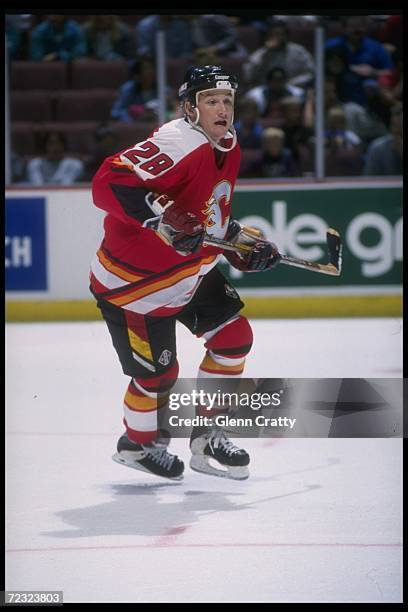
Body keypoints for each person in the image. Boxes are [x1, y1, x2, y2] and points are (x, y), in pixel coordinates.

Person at [89, 65, 281, 481]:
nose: (222, 109)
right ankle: (135, 447)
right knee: (158, 377)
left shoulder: (228, 144)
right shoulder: (178, 142)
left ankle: (206, 435)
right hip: (136, 286)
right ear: (190, 108)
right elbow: (108, 182)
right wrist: (159, 223)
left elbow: (207, 217)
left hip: (190, 272)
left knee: (234, 339)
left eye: (227, 100)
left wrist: (241, 244)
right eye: (211, 100)